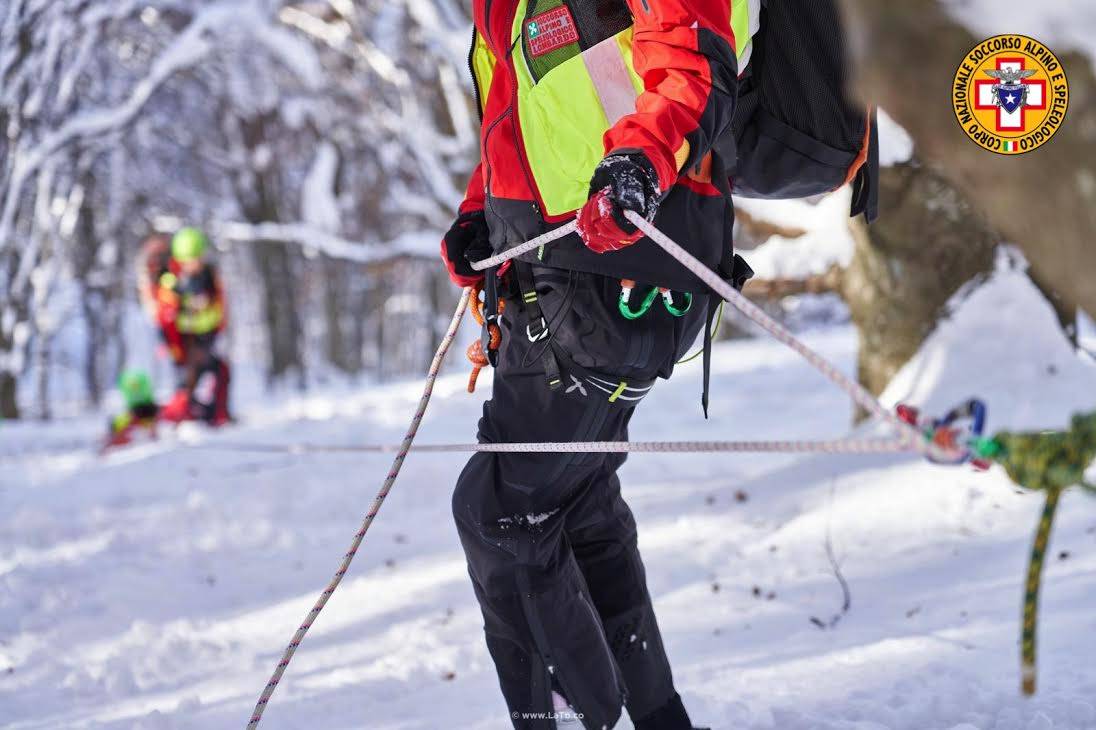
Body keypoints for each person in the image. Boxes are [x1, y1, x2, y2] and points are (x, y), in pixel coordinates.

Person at [442, 1, 754, 728]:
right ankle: (658, 716)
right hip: (548, 277)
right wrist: (479, 213)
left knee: (501, 511)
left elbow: (694, 56)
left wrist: (639, 162)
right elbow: (520, 116)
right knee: (574, 504)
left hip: (624, 259)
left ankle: (569, 718)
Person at [156, 227, 232, 426]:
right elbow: (166, 319)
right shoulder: (171, 284)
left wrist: (212, 329)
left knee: (222, 371)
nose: (196, 263)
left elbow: (219, 308)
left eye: (199, 257)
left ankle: (218, 416)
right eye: (192, 259)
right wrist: (177, 349)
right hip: (184, 346)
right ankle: (175, 418)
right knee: (186, 385)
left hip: (206, 339)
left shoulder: (209, 278)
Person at [104, 369, 160, 448]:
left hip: (144, 414)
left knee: (125, 422)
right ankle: (113, 439)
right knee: (118, 422)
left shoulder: (147, 407)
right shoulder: (139, 404)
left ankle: (114, 440)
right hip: (140, 415)